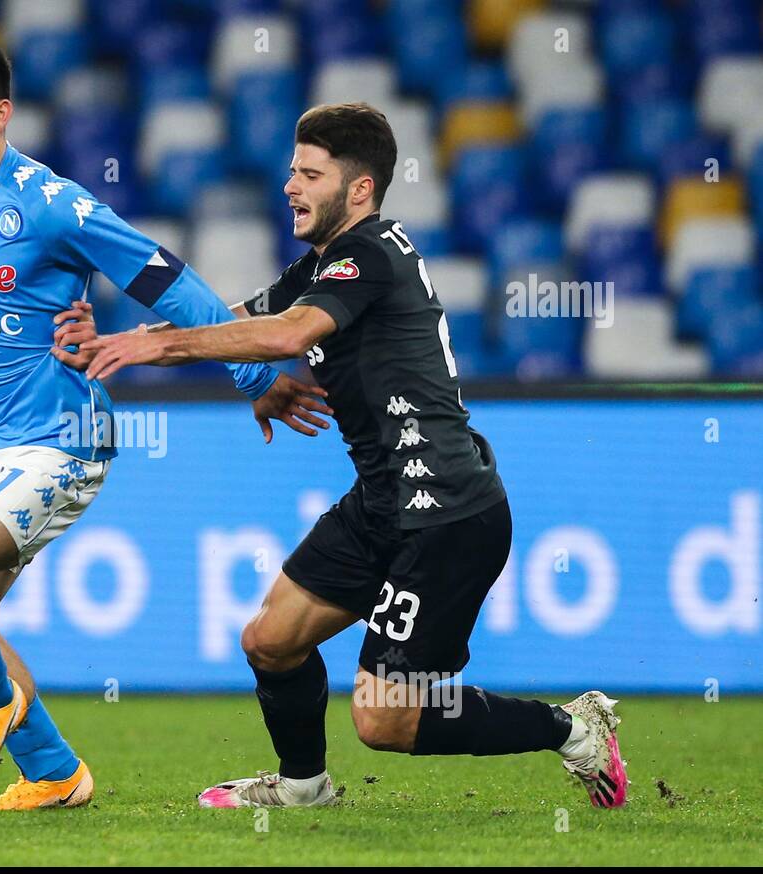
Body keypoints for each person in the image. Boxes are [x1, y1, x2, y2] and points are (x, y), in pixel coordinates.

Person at [0, 39, 328, 811]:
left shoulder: (53, 203)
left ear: (0, 115)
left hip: (64, 439)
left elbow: (163, 279)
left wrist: (251, 375)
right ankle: (53, 772)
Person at [70, 103, 627, 811]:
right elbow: (234, 322)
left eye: (309, 173)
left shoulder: (372, 252)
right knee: (271, 640)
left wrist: (158, 349)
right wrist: (118, 335)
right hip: (382, 501)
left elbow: (288, 334)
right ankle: (304, 787)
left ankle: (572, 727)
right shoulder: (325, 264)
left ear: (358, 189)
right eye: (290, 171)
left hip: (446, 513)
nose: (290, 186)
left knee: (383, 719)